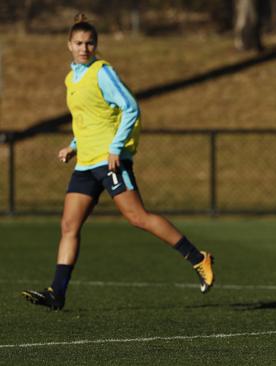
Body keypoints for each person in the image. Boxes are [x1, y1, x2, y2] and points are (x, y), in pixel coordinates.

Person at [21, 14, 215, 310]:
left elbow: (130, 107)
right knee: (68, 225)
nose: (84, 48)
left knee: (138, 217)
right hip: (85, 162)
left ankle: (199, 259)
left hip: (110, 161)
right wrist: (73, 146)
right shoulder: (71, 78)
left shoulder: (102, 72)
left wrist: (115, 148)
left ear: (96, 45)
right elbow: (88, 118)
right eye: (78, 43)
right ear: (68, 45)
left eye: (89, 43)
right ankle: (56, 293)